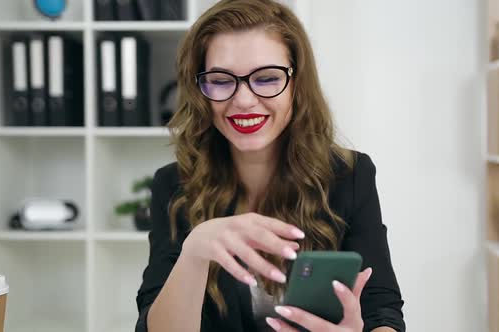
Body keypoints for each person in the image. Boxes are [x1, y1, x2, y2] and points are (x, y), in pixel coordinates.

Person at [135, 0, 405, 331]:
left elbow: (383, 311)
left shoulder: (350, 175)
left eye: (266, 78)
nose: (244, 100)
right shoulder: (174, 184)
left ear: (296, 84)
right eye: (220, 80)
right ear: (199, 90)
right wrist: (195, 252)